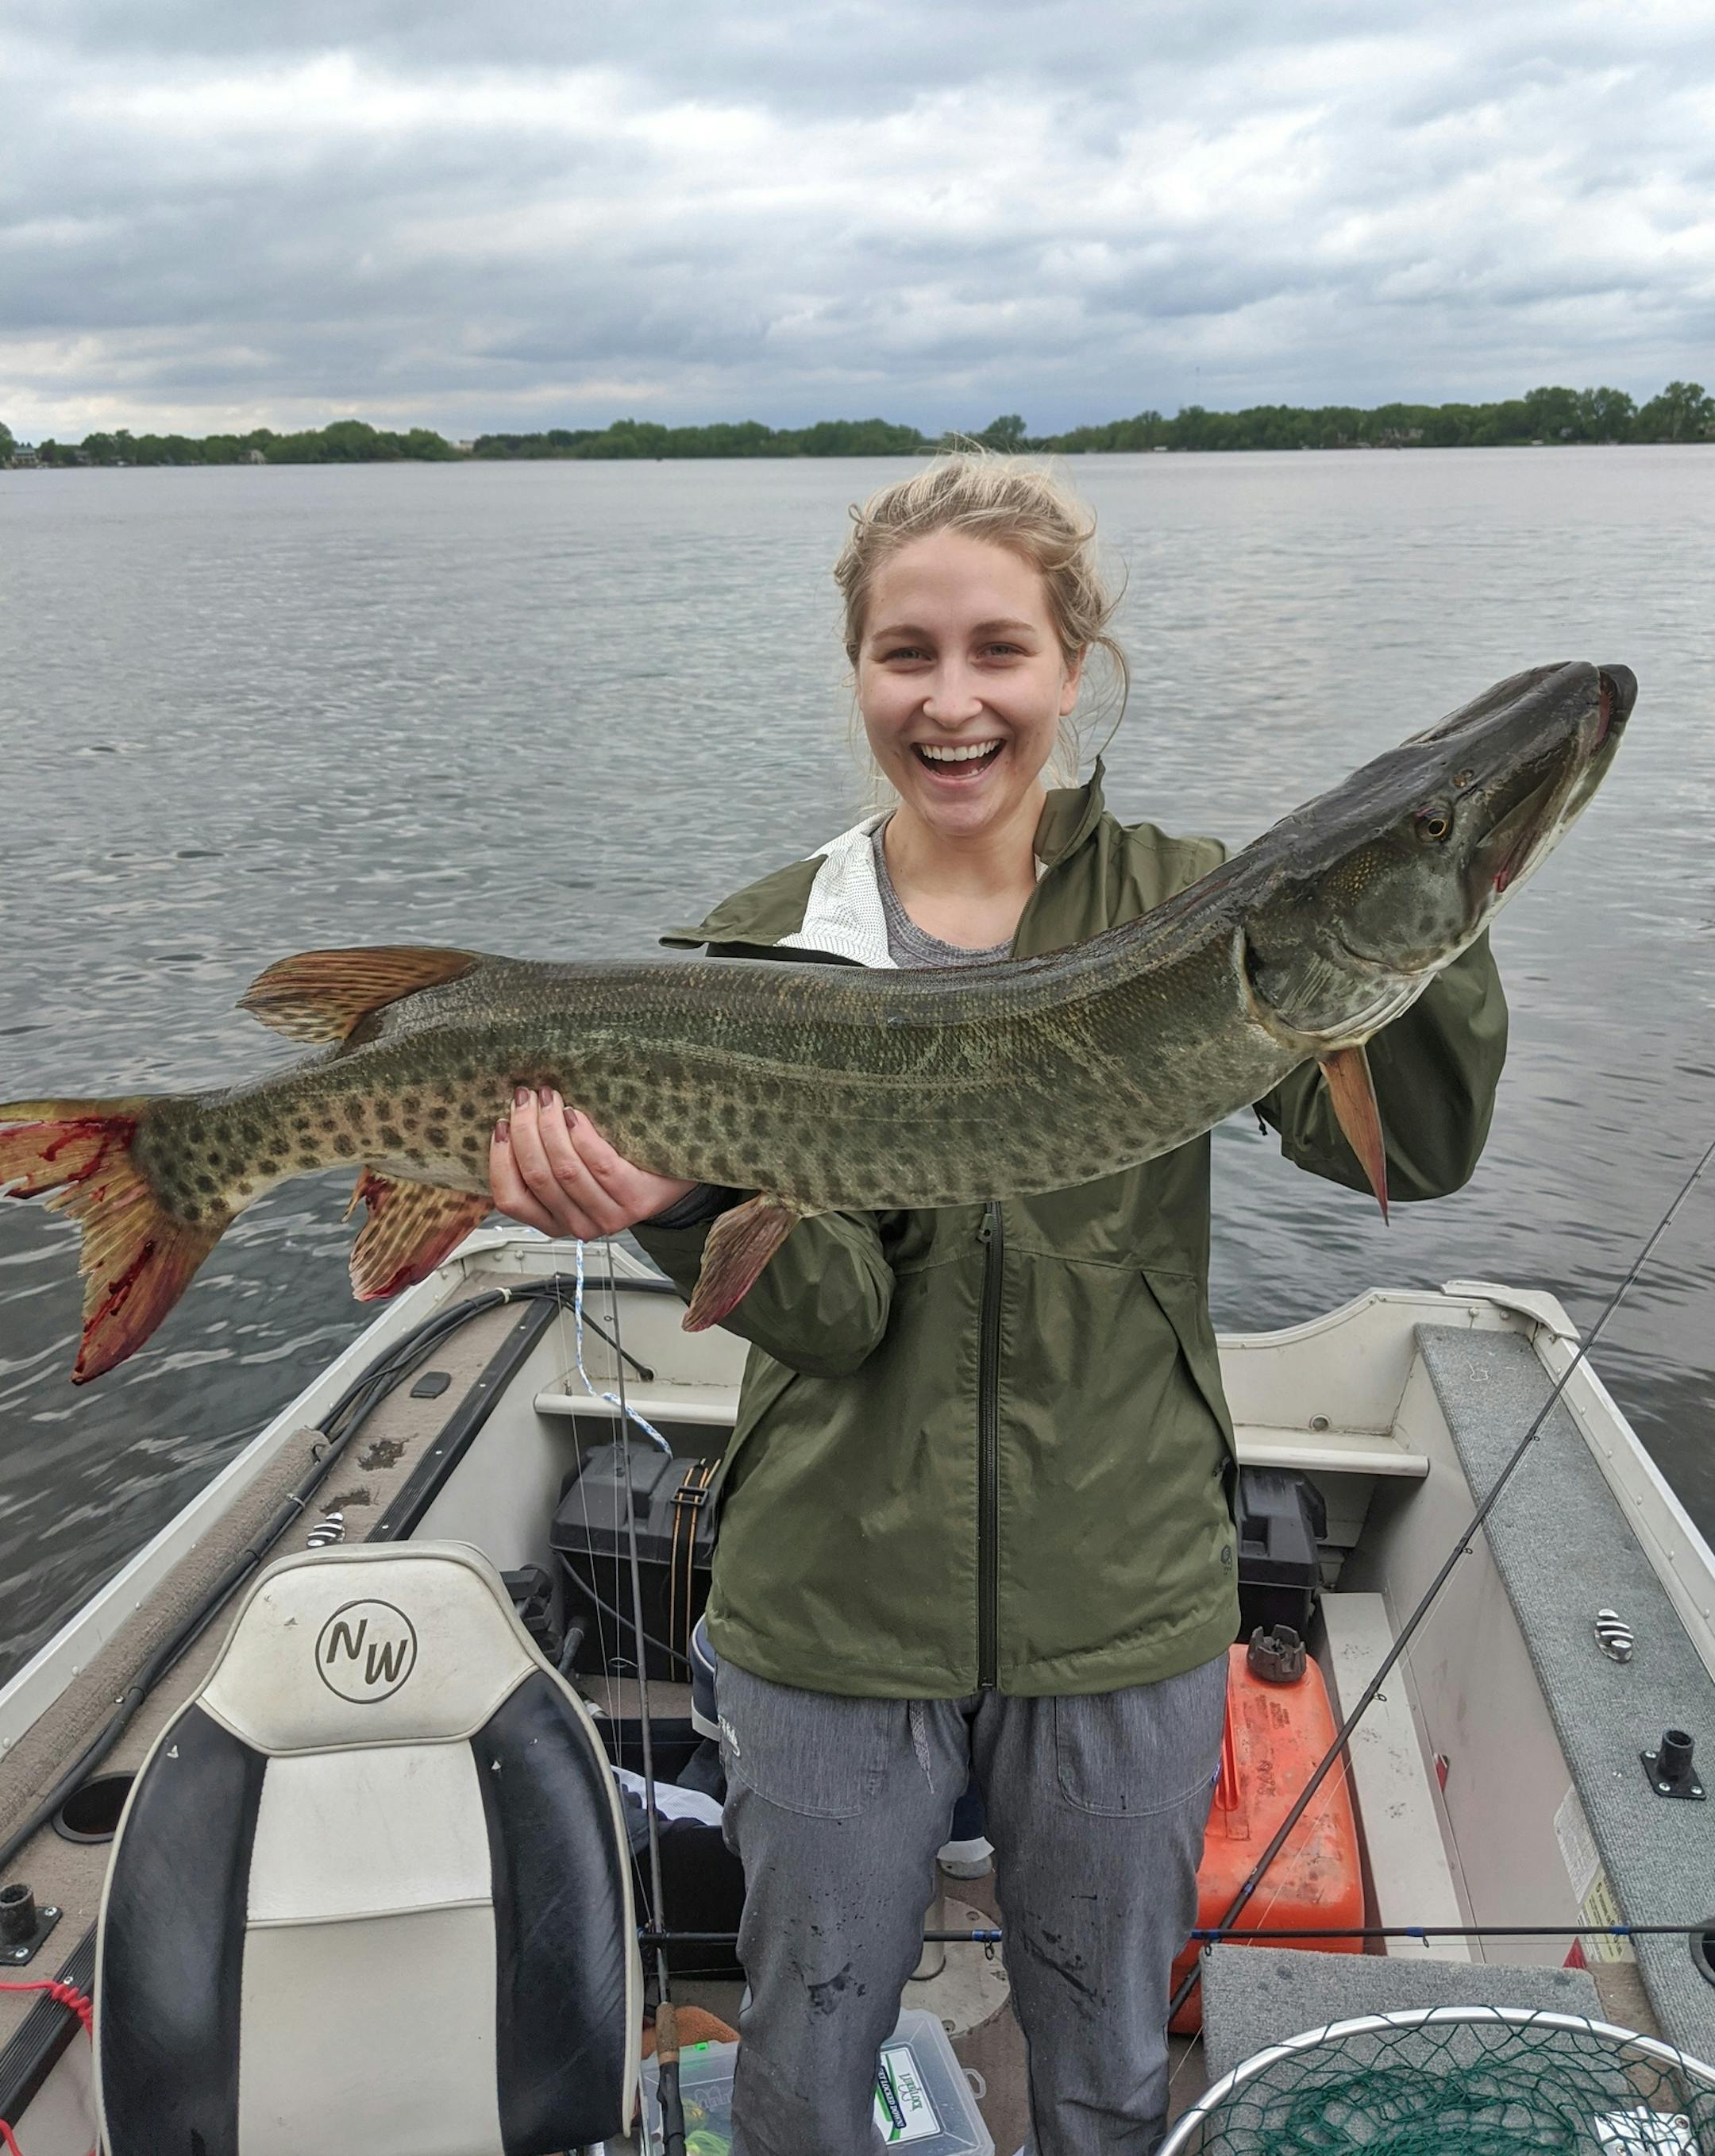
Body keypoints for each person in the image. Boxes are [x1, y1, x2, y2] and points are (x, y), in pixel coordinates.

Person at [489, 457, 1507, 2155]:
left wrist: (1450, 891)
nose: (953, 700)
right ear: (858, 675)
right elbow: (832, 1317)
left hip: (1120, 1599)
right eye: (907, 654)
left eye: (997, 650)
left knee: (1108, 2048)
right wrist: (667, 1201)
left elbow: (1424, 1141)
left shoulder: (1201, 909)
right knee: (807, 2052)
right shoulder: (766, 953)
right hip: (830, 1603)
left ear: (1071, 663)